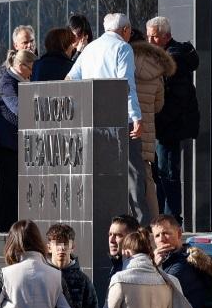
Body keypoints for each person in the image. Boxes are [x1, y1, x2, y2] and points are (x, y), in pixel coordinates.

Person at [67, 13, 148, 222]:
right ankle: (140, 225)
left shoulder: (90, 48)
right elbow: (126, 85)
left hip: (93, 120)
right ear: (126, 30)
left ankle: (107, 221)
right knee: (134, 173)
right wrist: (136, 117)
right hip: (120, 119)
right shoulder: (123, 48)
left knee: (102, 176)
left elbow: (70, 78)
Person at [148, 17, 199, 224]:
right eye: (148, 35)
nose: (150, 41)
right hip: (168, 125)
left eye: (154, 36)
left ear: (166, 37)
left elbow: (178, 96)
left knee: (167, 173)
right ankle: (166, 216)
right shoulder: (168, 56)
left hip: (169, 126)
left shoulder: (173, 59)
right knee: (164, 173)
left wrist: (160, 121)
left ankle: (170, 219)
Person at [129, 29, 176, 225]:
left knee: (130, 180)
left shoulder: (126, 63)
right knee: (148, 181)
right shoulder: (156, 68)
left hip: (129, 128)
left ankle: (133, 224)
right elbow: (158, 105)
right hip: (147, 131)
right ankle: (156, 224)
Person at [0, 49, 37, 233]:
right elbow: (16, 108)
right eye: (30, 68)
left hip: (16, 141)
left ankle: (13, 224)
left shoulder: (21, 81)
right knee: (7, 185)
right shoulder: (7, 82)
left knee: (15, 185)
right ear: (20, 66)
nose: (32, 72)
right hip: (6, 141)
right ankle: (6, 225)